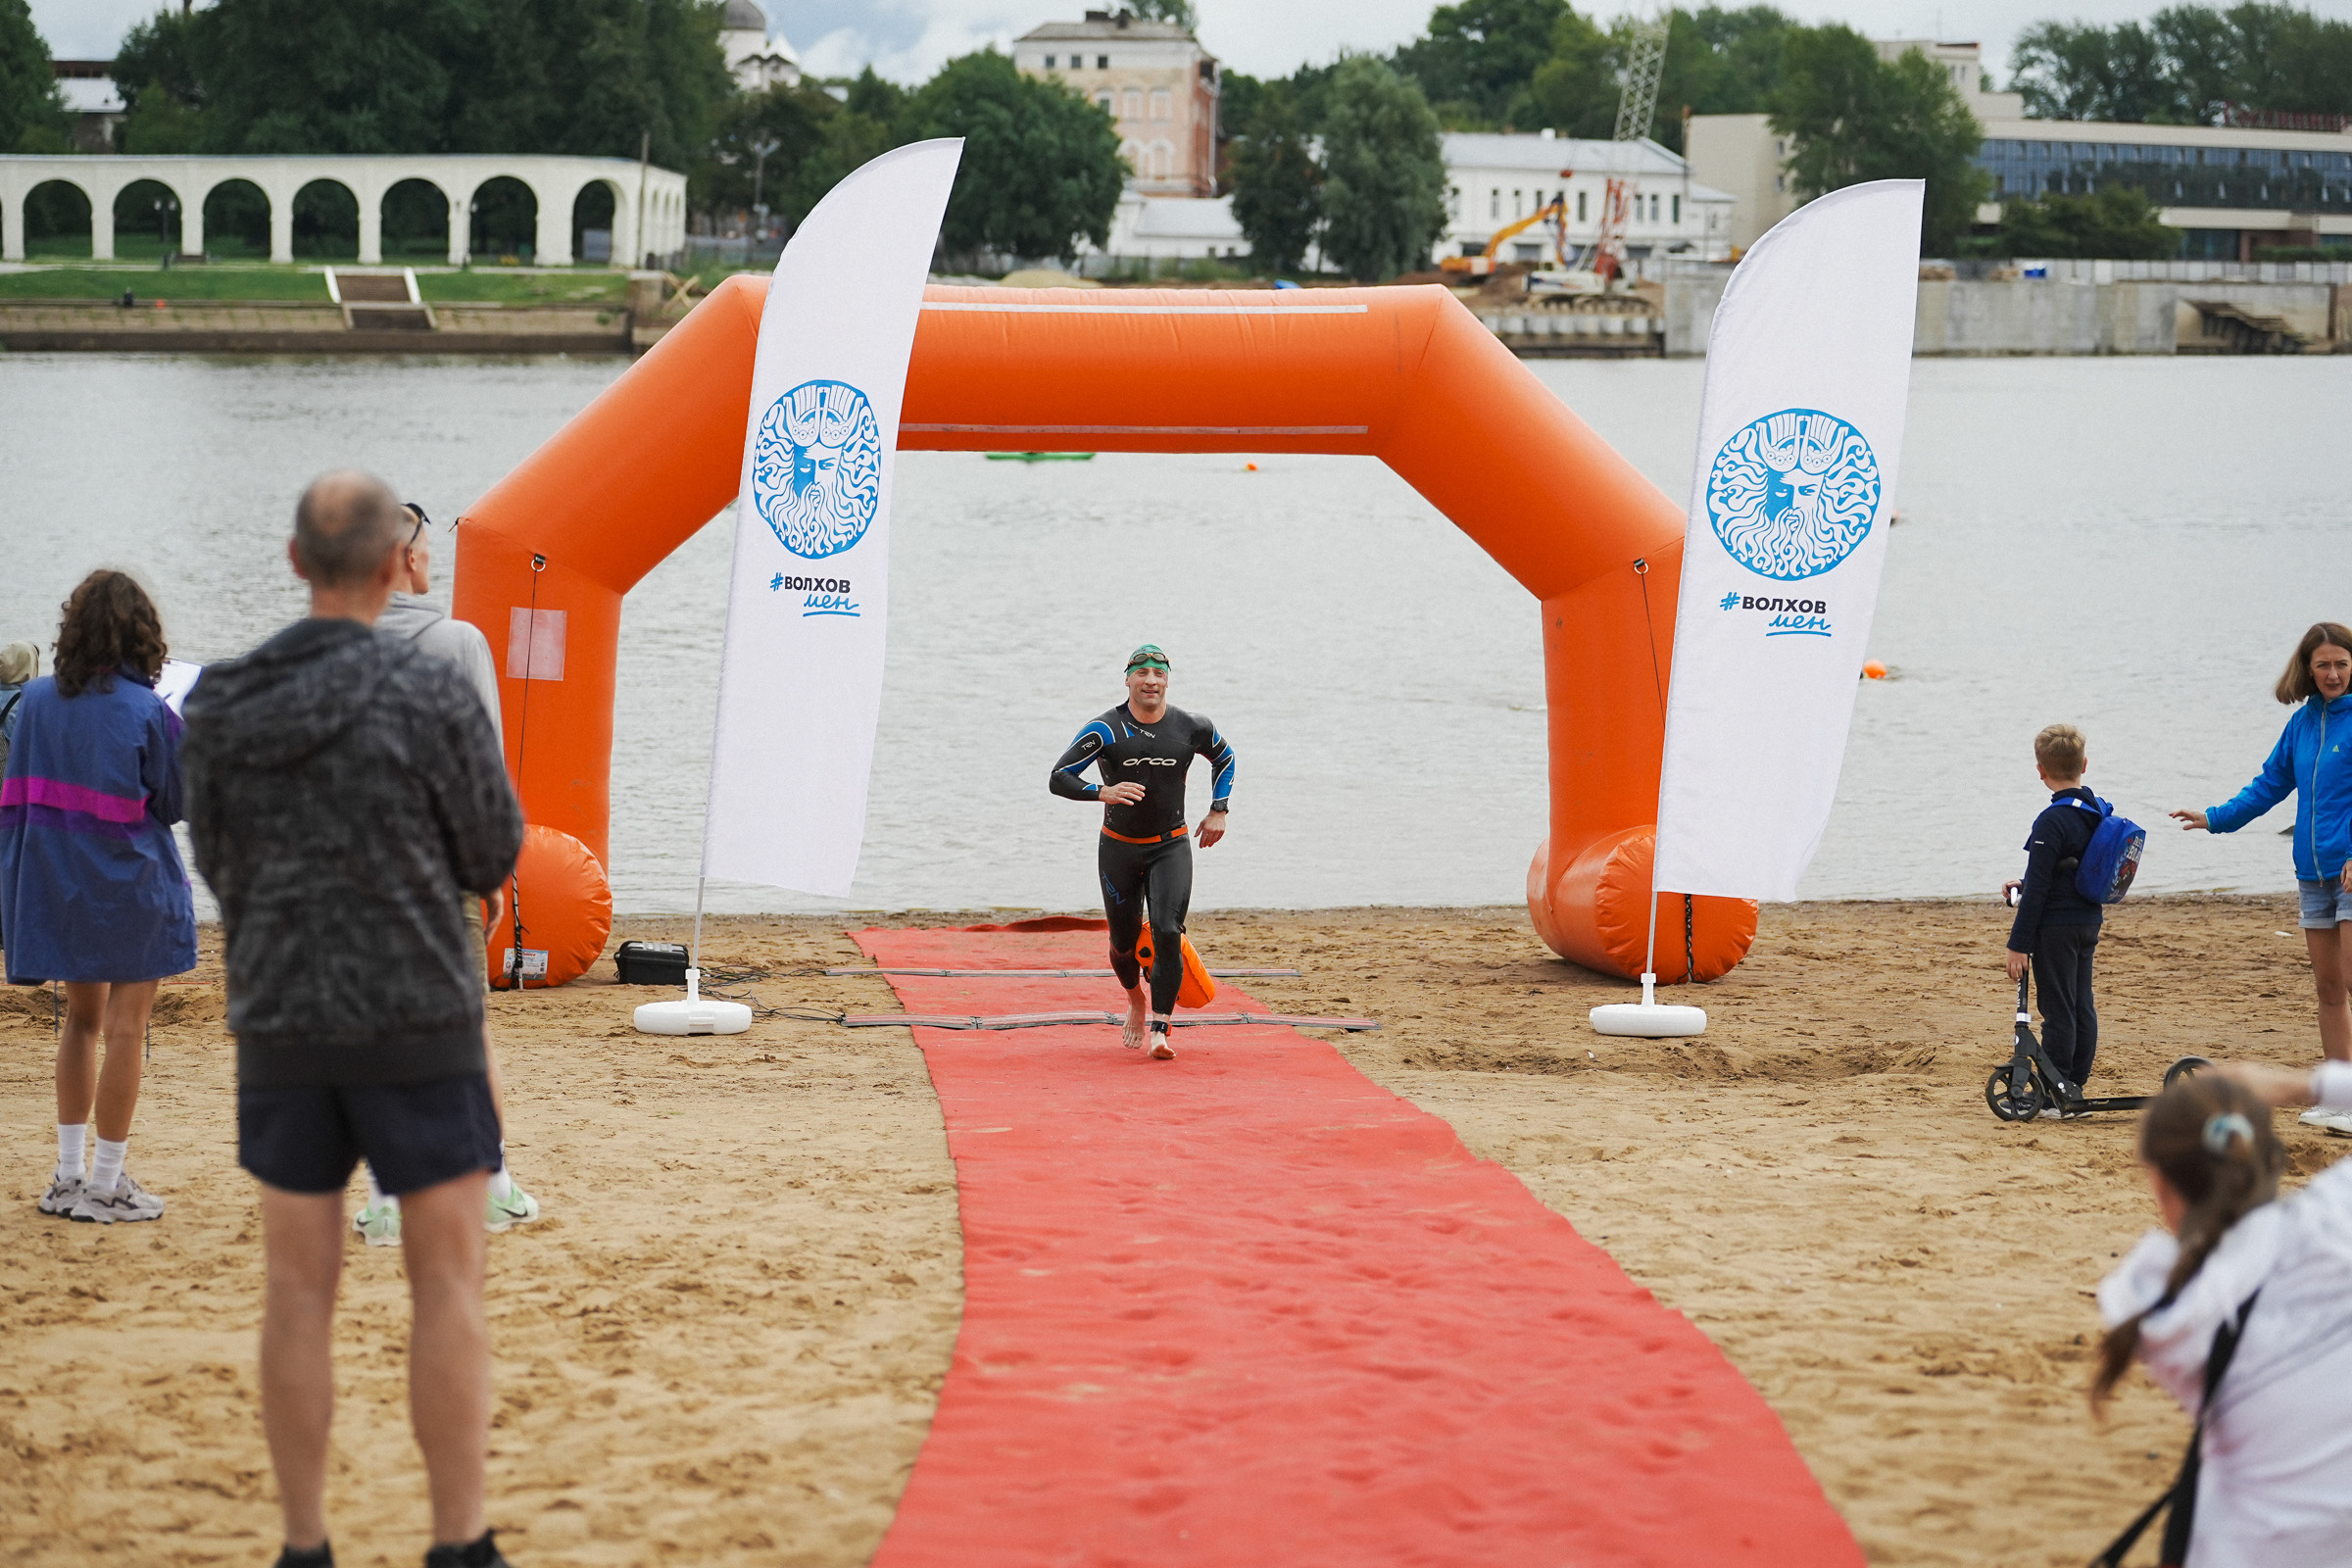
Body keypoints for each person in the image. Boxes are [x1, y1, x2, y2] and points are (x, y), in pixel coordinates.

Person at [183, 472, 523, 1568]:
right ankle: (458, 1540)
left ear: (295, 563)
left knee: (296, 1291)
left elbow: (217, 860)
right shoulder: (431, 688)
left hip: (283, 1013)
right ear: (397, 565)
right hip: (419, 1012)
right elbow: (489, 852)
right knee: (447, 1282)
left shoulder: (227, 695)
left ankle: (304, 1542)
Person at [358, 500, 537, 1247]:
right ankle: (490, 1185)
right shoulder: (459, 642)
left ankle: (385, 1203)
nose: (434, 562)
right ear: (402, 560)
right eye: (428, 550)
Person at [2092, 1061, 2352, 1567]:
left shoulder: (2161, 1305)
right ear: (2272, 1158)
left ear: (2159, 1185)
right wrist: (2306, 1085)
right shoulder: (2333, 1226)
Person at [2, 575, 197, 1224]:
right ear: (143, 638)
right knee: (126, 1030)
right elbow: (175, 804)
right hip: (131, 890)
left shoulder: (32, 702)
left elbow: (21, 800)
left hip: (60, 886)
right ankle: (108, 1183)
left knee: (81, 1024)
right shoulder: (150, 713)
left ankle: (66, 1177)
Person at [2171, 622, 2352, 1133]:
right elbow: (2269, 784)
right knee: (2330, 988)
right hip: (2312, 873)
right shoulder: (2301, 724)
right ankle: (2342, 1100)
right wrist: (2215, 817)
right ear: (2308, 668)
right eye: (2323, 665)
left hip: (2351, 869)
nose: (2333, 673)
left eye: (2341, 663)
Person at [1049, 644, 1234, 1061]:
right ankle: (1135, 998)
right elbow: (1059, 777)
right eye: (1142, 672)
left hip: (1171, 845)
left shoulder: (1192, 726)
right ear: (1128, 679)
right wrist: (1102, 792)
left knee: (1168, 930)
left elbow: (1225, 758)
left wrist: (1218, 809)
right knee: (1123, 943)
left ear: (1167, 679)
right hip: (1120, 850)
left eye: (1159, 673)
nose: (1151, 680)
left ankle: (1161, 1027)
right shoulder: (1105, 729)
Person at [2001, 724, 2107, 1095]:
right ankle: (2074, 1079)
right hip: (2088, 920)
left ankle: (2052, 1089)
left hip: (2056, 928)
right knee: (2080, 1004)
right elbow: (2067, 869)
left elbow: (2041, 889)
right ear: (2085, 764)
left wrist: (2017, 945)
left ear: (2040, 771)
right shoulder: (2096, 809)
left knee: (2058, 1009)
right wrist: (2025, 885)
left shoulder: (2051, 821)